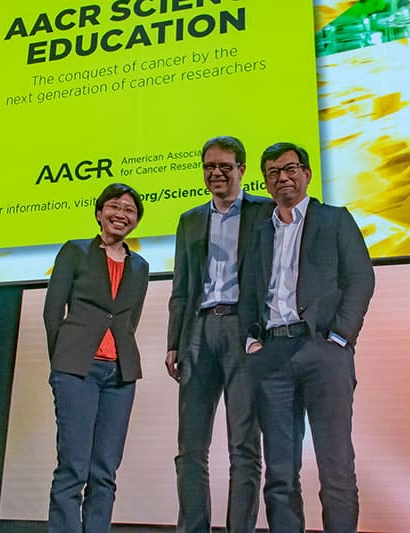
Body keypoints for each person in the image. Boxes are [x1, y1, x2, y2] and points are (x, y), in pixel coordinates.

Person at [238, 142, 375, 533]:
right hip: (272, 356)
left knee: (335, 466)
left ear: (307, 174)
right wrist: (252, 342)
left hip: (322, 352)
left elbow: (360, 277)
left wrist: (340, 337)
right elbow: (249, 293)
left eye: (290, 169)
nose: (282, 177)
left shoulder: (334, 219)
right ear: (265, 182)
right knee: (279, 472)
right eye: (273, 172)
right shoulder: (260, 232)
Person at [166, 136, 273, 532]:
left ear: (242, 170)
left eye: (224, 166)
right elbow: (181, 287)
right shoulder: (190, 219)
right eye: (209, 166)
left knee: (244, 446)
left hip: (245, 332)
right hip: (198, 330)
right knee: (190, 447)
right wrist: (174, 341)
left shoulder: (265, 212)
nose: (216, 173)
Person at [43, 183, 149, 533]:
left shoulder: (140, 266)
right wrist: (63, 359)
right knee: (73, 467)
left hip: (120, 374)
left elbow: (130, 320)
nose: (121, 214)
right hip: (76, 369)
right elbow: (53, 309)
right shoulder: (75, 251)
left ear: (136, 221)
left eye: (129, 210)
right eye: (114, 207)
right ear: (100, 212)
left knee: (104, 470)